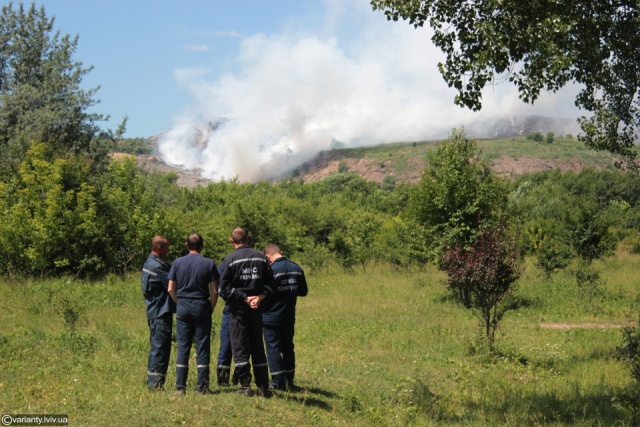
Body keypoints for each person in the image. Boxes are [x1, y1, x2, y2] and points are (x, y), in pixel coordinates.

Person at [219, 227, 274, 396]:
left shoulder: (229, 259)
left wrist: (244, 298)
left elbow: (224, 288)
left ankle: (245, 386)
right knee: (258, 346)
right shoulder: (262, 258)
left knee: (240, 346)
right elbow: (271, 283)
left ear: (231, 240)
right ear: (248, 238)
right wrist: (259, 297)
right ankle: (263, 386)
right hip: (256, 310)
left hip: (238, 311)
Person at [168, 233, 219, 395]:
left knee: (183, 346)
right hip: (201, 304)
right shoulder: (209, 263)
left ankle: (180, 387)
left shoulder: (177, 262)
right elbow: (214, 290)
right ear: (202, 245)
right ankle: (202, 387)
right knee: (202, 345)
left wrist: (179, 302)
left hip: (183, 305)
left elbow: (170, 288)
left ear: (186, 245)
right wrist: (210, 307)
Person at [262, 244, 308, 391]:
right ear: (281, 252)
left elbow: (264, 292)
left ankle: (277, 382)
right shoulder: (297, 268)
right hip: (288, 316)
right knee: (288, 347)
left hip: (271, 316)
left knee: (273, 349)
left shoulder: (271, 270)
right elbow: (303, 291)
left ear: (268, 257)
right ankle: (289, 380)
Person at [141, 235, 175, 390]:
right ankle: (155, 384)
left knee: (161, 346)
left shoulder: (153, 263)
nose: (168, 251)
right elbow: (173, 283)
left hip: (159, 312)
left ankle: (155, 382)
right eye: (167, 247)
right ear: (159, 248)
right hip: (159, 312)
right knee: (160, 347)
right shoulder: (156, 266)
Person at [215, 257, 237, 387]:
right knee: (244, 344)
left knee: (227, 343)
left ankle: (228, 378)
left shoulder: (226, 262)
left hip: (232, 306)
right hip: (247, 307)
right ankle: (230, 377)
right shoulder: (255, 259)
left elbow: (220, 287)